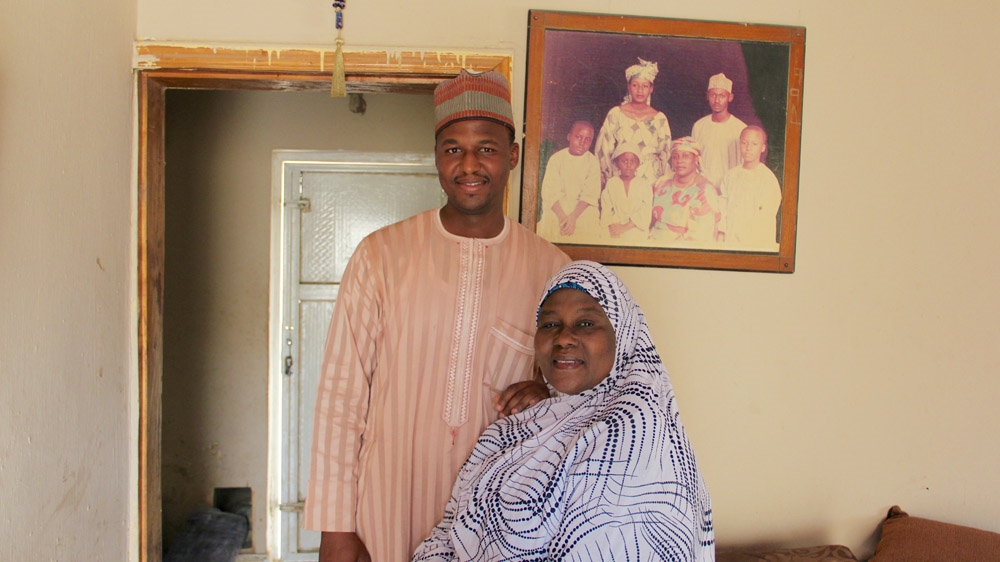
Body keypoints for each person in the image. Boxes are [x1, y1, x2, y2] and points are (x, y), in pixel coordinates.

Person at [302, 69, 571, 562]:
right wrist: (335, 527)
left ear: (512, 156)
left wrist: (547, 393)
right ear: (436, 159)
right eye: (452, 149)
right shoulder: (380, 255)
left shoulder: (553, 270)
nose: (469, 164)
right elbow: (341, 399)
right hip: (387, 506)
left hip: (500, 514)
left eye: (486, 148)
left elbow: (588, 395)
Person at [413, 260, 715, 561]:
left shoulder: (636, 434)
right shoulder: (519, 427)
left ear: (622, 334)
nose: (563, 338)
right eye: (549, 324)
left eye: (586, 323)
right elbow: (450, 529)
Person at [594, 58, 672, 188]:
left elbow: (666, 155)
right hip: (620, 178)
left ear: (651, 89)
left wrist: (664, 184)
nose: (640, 90)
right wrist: (606, 180)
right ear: (629, 87)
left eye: (645, 86)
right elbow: (603, 151)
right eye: (635, 85)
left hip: (651, 180)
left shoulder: (660, 119)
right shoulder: (616, 114)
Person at [536, 120, 602, 243]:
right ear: (569, 137)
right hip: (559, 208)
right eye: (578, 137)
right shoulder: (556, 159)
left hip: (581, 209)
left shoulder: (592, 162)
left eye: (587, 139)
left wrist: (573, 217)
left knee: (588, 222)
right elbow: (550, 192)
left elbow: (590, 195)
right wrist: (563, 218)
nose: (582, 142)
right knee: (551, 224)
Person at [719, 125, 782, 250]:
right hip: (730, 240)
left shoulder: (767, 179)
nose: (748, 148)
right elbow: (722, 207)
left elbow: (765, 217)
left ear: (763, 148)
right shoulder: (730, 175)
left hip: (755, 242)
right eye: (744, 143)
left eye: (754, 144)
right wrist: (722, 234)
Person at [651, 137, 723, 243]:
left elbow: (700, 237)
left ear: (696, 159)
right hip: (652, 241)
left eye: (686, 156)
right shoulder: (663, 181)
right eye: (675, 157)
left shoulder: (704, 190)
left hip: (681, 248)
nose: (679, 161)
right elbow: (649, 219)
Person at [691, 73, 748, 188]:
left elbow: (744, 164)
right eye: (713, 95)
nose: (717, 100)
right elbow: (694, 160)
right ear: (707, 96)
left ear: (730, 97)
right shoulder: (699, 126)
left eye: (722, 96)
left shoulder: (740, 128)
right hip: (703, 188)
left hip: (730, 187)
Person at [599, 142, 653, 243]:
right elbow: (606, 208)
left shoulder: (644, 184)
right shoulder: (612, 183)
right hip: (615, 227)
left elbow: (645, 211)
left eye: (632, 161)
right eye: (624, 161)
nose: (628, 165)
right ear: (616, 163)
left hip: (636, 227)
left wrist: (625, 227)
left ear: (638, 164)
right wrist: (612, 226)